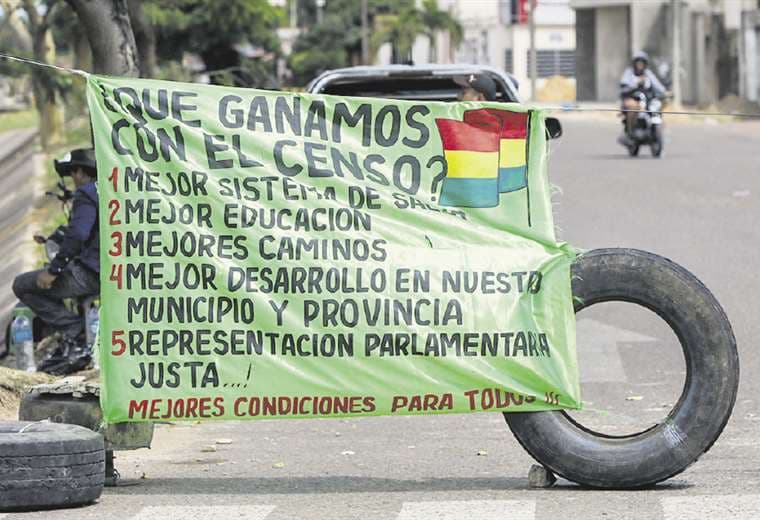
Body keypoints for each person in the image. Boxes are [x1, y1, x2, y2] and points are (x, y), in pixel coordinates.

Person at [12, 148, 99, 375]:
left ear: (80, 172)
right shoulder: (109, 192)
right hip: (113, 270)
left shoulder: (86, 194)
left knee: (22, 285)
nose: (73, 178)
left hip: (91, 272)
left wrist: (54, 269)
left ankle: (75, 330)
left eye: (73, 173)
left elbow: (78, 234)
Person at [619, 51, 666, 140]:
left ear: (645, 64)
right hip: (631, 98)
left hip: (646, 99)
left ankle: (657, 132)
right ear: (635, 63)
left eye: (642, 63)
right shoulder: (629, 73)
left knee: (657, 107)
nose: (640, 65)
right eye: (638, 63)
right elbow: (623, 87)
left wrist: (665, 92)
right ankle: (630, 132)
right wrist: (636, 83)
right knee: (633, 106)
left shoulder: (647, 73)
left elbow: (657, 85)